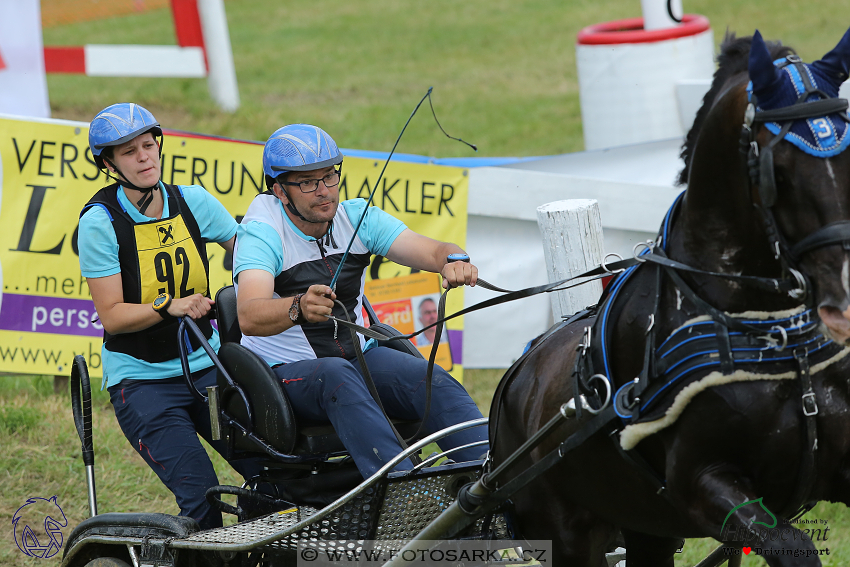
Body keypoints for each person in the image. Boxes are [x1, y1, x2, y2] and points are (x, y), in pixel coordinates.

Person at [233, 124, 488, 479]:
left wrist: (454, 259)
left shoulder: (356, 217)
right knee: (336, 376)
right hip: (284, 373)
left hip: (357, 357)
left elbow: (431, 250)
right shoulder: (262, 230)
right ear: (279, 190)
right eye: (308, 182)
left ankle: (493, 477)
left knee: (431, 380)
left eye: (329, 177)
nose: (324, 191)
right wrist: (297, 307)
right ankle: (404, 491)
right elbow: (248, 314)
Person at [78, 103, 258, 529]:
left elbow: (247, 251)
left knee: (276, 479)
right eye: (129, 152)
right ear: (109, 164)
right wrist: (167, 306)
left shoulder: (191, 200)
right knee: (203, 501)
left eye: (148, 145)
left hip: (208, 368)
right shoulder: (100, 222)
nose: (144, 157)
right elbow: (113, 317)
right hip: (142, 383)